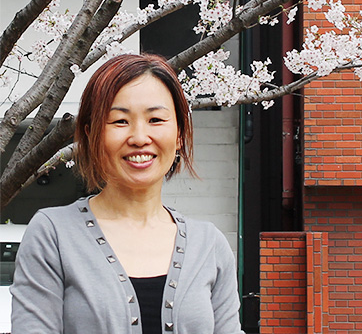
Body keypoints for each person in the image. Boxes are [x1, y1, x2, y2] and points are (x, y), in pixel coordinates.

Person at [11, 53, 244, 334]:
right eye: (120, 121)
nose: (139, 137)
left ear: (179, 133)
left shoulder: (209, 245)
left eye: (156, 119)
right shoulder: (53, 235)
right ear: (91, 133)